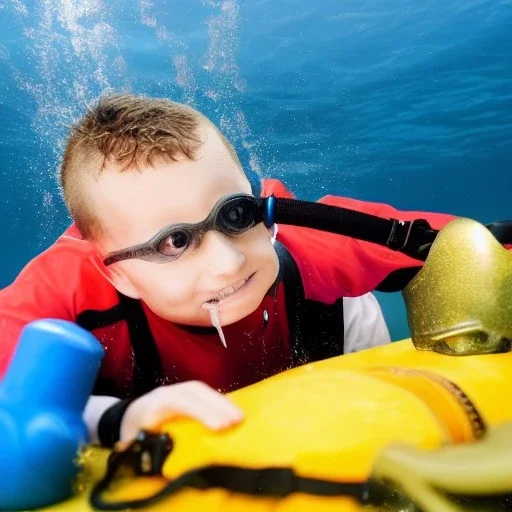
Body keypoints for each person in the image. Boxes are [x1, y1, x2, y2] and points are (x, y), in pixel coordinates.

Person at [0, 94, 455, 447]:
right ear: (116, 274)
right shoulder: (67, 293)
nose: (229, 262)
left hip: (345, 376)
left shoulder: (308, 241)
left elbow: (473, 243)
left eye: (236, 214)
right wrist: (113, 419)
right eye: (175, 242)